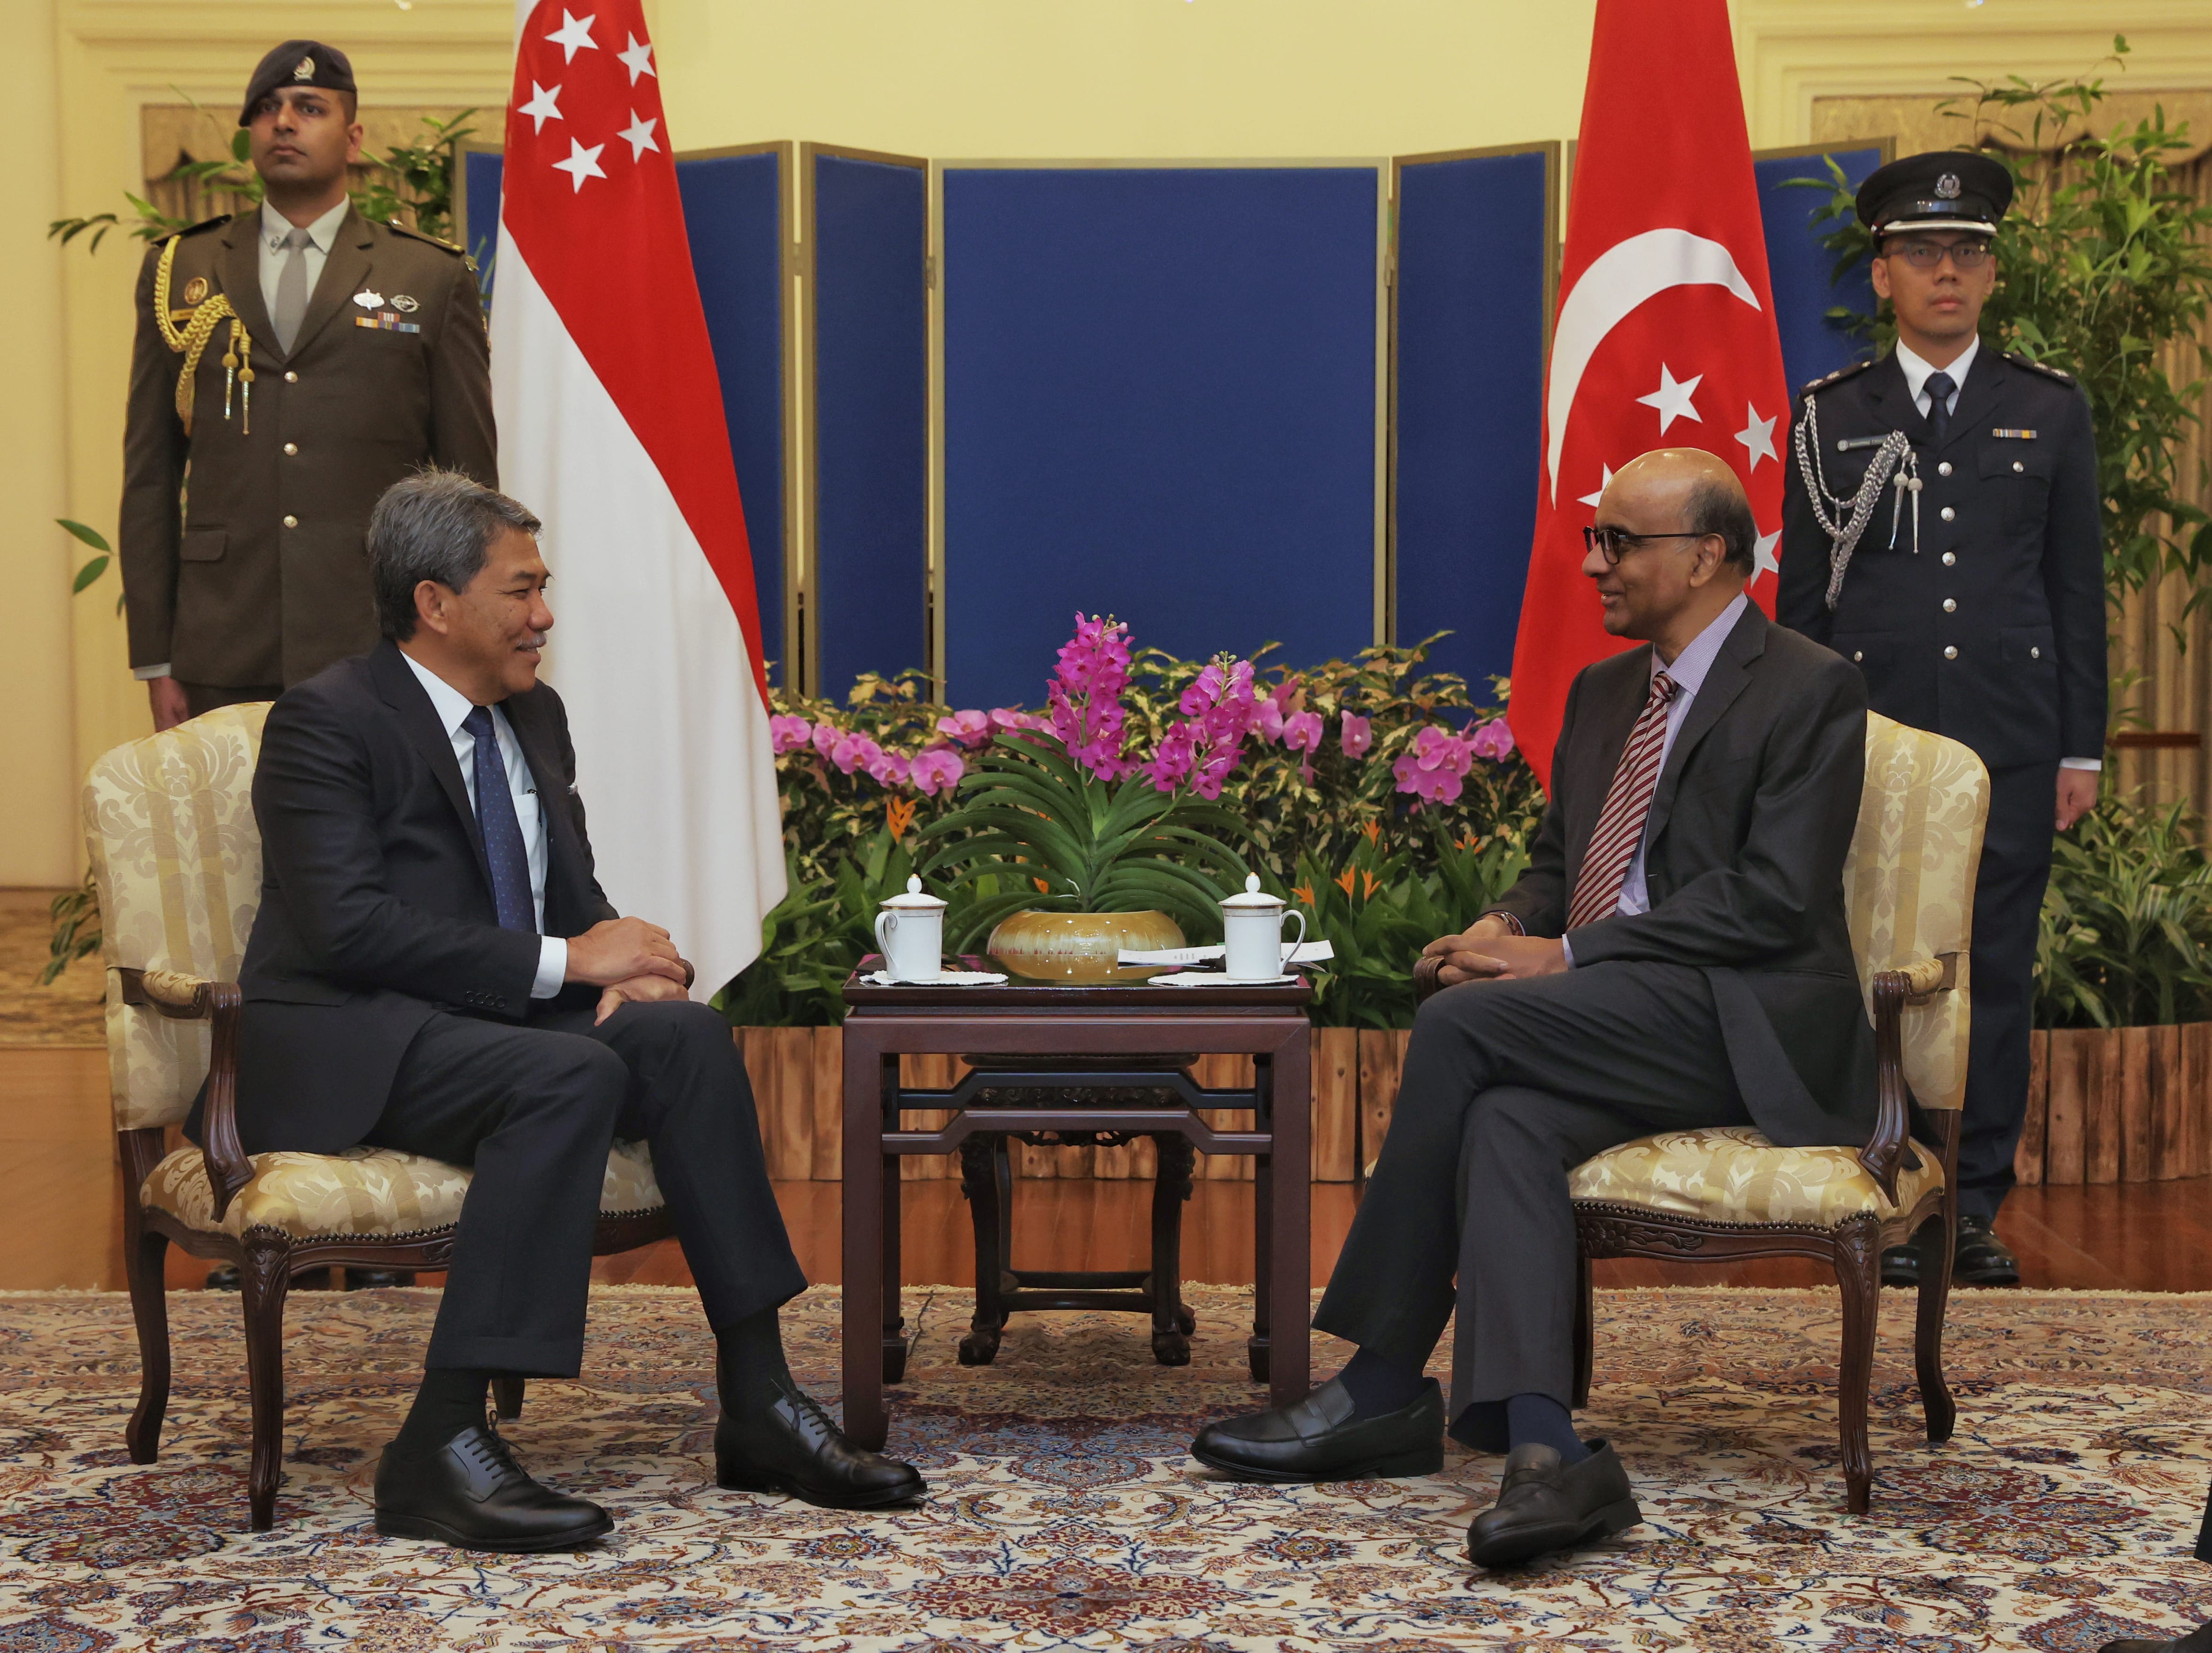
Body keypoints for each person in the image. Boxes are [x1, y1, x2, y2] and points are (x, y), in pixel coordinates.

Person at [204, 469, 924, 1551]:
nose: (544, 615)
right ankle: (436, 1443)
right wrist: (568, 960)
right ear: (435, 603)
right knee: (571, 1071)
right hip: (357, 1035)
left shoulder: (534, 716)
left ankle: (760, 1399)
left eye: (543, 588)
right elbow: (350, 928)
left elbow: (569, 897)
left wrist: (622, 965)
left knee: (681, 1035)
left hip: (495, 1029)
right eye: (521, 589)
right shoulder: (327, 722)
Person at [1189, 449, 1877, 1570]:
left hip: (1740, 1021)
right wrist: (1505, 930)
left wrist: (1566, 954)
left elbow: (1774, 896)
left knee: (1463, 1031)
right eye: (1594, 538)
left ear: (1707, 554)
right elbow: (1560, 864)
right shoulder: (1605, 691)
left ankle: (1377, 1380)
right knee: (1507, 1113)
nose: (1593, 562)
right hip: (1607, 1006)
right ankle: (1549, 1458)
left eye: (1620, 541)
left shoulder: (1808, 686)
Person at [1778, 151, 2105, 1290]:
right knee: (1875, 968)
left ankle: (1967, 1207)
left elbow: (2076, 590)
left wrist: (2080, 748)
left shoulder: (2048, 410)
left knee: (1993, 976)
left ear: (1992, 273)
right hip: (1871, 748)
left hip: (2009, 746)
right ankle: (1887, 1185)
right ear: (1882, 277)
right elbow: (1801, 608)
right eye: (1922, 253)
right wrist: (1797, 750)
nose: (1947, 271)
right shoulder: (1830, 416)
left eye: (1967, 252)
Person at [119, 39, 497, 733]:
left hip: (381, 636)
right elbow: (149, 475)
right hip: (222, 639)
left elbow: (466, 483)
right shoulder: (182, 268)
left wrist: (462, 640)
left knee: (380, 840)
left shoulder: (428, 277)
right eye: (267, 110)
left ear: (354, 138)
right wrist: (155, 656)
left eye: (308, 107)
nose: (284, 122)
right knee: (235, 842)